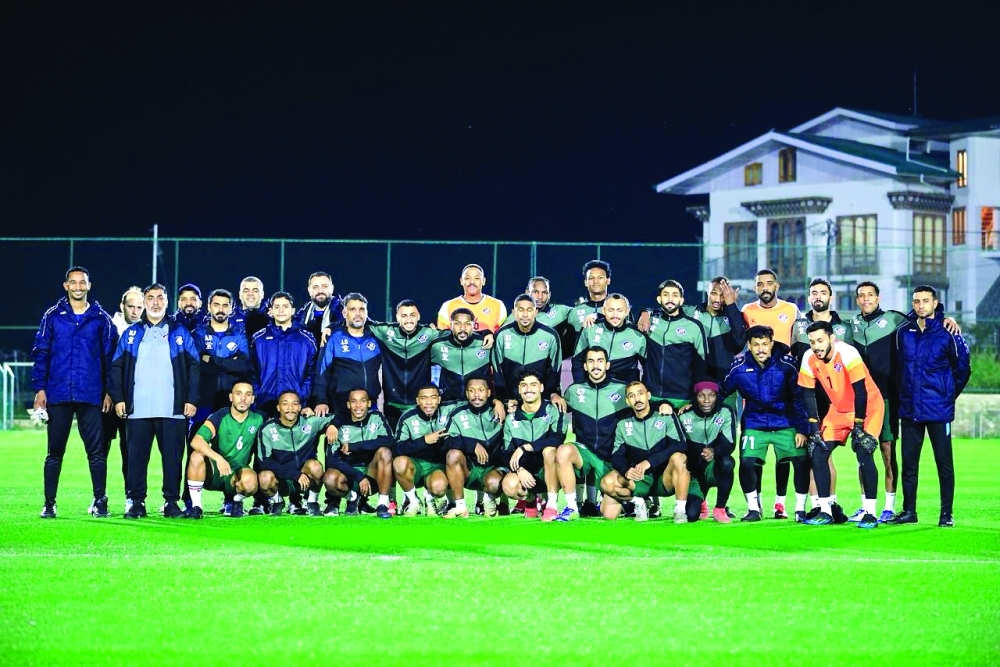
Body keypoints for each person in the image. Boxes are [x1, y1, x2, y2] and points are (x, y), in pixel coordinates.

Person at [109, 283, 200, 519]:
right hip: (137, 409)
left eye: (160, 298)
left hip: (173, 409)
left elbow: (194, 367)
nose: (156, 303)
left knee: (172, 459)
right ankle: (136, 502)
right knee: (136, 459)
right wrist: (119, 398)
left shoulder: (180, 331)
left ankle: (171, 502)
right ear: (145, 302)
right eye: (151, 298)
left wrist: (191, 399)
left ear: (167, 302)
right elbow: (116, 367)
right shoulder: (131, 333)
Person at [33, 266, 115, 519]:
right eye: (73, 282)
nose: (78, 286)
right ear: (66, 286)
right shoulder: (52, 316)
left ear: (89, 285)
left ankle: (100, 501)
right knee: (54, 453)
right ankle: (49, 503)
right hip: (58, 394)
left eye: (82, 282)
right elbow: (41, 352)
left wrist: (109, 391)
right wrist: (40, 389)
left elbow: (110, 359)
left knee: (96, 453)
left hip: (91, 395)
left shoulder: (101, 319)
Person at [892, 286, 971, 527]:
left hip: (938, 410)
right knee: (909, 464)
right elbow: (898, 369)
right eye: (917, 301)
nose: (921, 305)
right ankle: (909, 511)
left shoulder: (949, 332)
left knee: (944, 464)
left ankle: (946, 514)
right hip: (910, 410)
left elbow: (963, 368)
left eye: (926, 301)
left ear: (935, 303)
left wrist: (948, 395)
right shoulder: (903, 332)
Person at [798, 321, 884, 528]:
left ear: (831, 338)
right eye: (812, 342)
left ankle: (870, 513)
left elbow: (861, 392)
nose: (816, 346)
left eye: (820, 340)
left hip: (868, 406)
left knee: (864, 451)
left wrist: (859, 426)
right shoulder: (809, 358)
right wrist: (814, 428)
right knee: (818, 452)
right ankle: (826, 511)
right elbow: (808, 395)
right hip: (839, 409)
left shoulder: (848, 353)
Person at [721, 326, 811, 522]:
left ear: (771, 343)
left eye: (764, 344)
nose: (760, 349)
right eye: (756, 345)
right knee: (747, 462)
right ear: (749, 346)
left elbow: (799, 398)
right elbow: (721, 392)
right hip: (754, 423)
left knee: (801, 461)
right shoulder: (738, 368)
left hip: (786, 422)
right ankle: (754, 509)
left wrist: (802, 429)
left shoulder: (787, 365)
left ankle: (800, 509)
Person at [740, 269, 802, 518]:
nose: (764, 287)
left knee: (783, 455)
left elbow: (800, 341)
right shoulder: (747, 311)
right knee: (753, 455)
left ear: (777, 285)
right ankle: (755, 504)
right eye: (759, 284)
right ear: (755, 287)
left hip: (783, 386)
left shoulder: (792, 310)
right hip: (755, 389)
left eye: (769, 283)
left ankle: (780, 503)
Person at [552, 347, 631, 521]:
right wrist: (554, 397)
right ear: (585, 366)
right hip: (586, 455)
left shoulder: (622, 389)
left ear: (607, 365)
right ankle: (572, 507)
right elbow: (558, 406)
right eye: (591, 361)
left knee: (609, 515)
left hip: (612, 459)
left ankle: (634, 501)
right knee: (563, 451)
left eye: (600, 361)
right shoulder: (574, 390)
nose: (596, 366)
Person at [600, 380, 690, 523]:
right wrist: (626, 471)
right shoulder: (623, 424)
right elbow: (616, 456)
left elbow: (681, 445)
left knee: (680, 457)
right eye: (632, 396)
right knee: (607, 489)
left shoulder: (665, 415)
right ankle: (639, 502)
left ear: (648, 395)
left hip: (665, 479)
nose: (637, 399)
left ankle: (680, 510)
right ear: (627, 401)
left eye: (640, 394)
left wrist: (650, 462)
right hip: (639, 479)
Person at [368, 299, 457, 431]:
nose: (408, 320)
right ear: (397, 317)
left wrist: (485, 333)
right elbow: (361, 322)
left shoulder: (428, 333)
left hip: (418, 405)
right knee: (394, 442)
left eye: (412, 315)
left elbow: (456, 334)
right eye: (404, 316)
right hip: (392, 405)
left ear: (418, 316)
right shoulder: (385, 331)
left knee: (420, 442)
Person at [182, 381, 262, 519]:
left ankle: (235, 501)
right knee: (196, 456)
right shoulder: (219, 416)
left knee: (250, 481)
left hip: (237, 473)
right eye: (238, 394)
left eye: (248, 394)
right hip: (214, 471)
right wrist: (218, 458)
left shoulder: (258, 419)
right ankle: (196, 506)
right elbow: (197, 441)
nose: (243, 398)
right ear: (231, 397)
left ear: (252, 399)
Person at [499, 371, 568, 520]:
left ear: (541, 388)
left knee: (549, 451)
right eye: (524, 385)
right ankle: (530, 500)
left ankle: (551, 505)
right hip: (527, 475)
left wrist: (526, 447)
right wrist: (519, 470)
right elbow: (506, 452)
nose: (528, 389)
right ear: (519, 389)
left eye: (533, 385)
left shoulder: (554, 410)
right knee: (509, 484)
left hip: (550, 472)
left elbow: (557, 438)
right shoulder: (511, 418)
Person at [255, 390, 334, 516]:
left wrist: (332, 426)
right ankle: (278, 501)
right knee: (264, 477)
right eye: (285, 404)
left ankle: (312, 501)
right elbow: (265, 463)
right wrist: (295, 475)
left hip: (305, 481)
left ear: (300, 407)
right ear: (278, 407)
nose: (290, 408)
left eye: (295, 404)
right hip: (281, 481)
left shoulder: (310, 422)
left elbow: (340, 417)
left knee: (315, 467)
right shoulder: (267, 429)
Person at [322, 388, 396, 519]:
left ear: (369, 403)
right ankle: (353, 497)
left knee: (385, 452)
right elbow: (332, 460)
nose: (358, 406)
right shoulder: (337, 425)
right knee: (330, 478)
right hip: (348, 475)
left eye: (362, 401)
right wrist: (359, 477)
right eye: (354, 401)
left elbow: (389, 440)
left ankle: (383, 504)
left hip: (371, 474)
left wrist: (354, 446)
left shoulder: (376, 417)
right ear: (348, 404)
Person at [441, 378, 506, 518]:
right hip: (469, 470)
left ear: (488, 393)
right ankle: (460, 507)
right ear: (466, 393)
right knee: (452, 454)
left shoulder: (500, 410)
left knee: (494, 483)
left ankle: (493, 501)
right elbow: (446, 442)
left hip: (493, 469)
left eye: (481, 390)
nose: (476, 395)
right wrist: (472, 445)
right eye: (472, 391)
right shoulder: (458, 413)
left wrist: (498, 402)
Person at [313, 293, 382, 422]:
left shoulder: (377, 337)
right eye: (352, 309)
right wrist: (321, 400)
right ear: (344, 313)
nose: (358, 314)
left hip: (370, 405)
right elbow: (322, 371)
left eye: (361, 309)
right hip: (341, 405)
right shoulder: (333, 337)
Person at [105, 285, 144, 513]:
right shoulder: (110, 328)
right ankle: (99, 497)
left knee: (129, 450)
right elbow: (105, 363)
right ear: (122, 306)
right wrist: (109, 393)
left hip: (134, 401)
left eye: (139, 307)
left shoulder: (146, 330)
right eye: (131, 306)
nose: (135, 311)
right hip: (109, 399)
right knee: (101, 450)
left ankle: (131, 497)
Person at [492, 294, 565, 415]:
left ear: (535, 312)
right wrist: (503, 400)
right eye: (521, 310)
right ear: (514, 312)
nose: (525, 315)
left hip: (540, 405)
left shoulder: (550, 336)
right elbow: (497, 371)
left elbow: (554, 371)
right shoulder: (502, 335)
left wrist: (552, 395)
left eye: (529, 310)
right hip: (510, 404)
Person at [392, 384, 459, 516]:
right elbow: (396, 448)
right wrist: (424, 441)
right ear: (417, 401)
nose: (428, 402)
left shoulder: (448, 410)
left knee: (439, 488)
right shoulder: (407, 417)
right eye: (424, 398)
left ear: (439, 399)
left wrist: (496, 402)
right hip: (415, 465)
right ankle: (413, 500)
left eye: (433, 397)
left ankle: (429, 497)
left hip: (436, 467)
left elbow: (474, 400)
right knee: (399, 462)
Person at [250, 291, 317, 418]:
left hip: (295, 405)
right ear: (270, 311)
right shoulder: (258, 339)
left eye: (285, 306)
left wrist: (301, 394)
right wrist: (259, 393)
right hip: (265, 404)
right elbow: (251, 371)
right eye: (277, 307)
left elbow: (312, 372)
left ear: (293, 310)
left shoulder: (306, 339)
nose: (281, 310)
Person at [677, 380, 737, 523]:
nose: (706, 400)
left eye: (711, 395)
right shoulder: (684, 415)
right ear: (695, 397)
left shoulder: (725, 412)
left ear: (716, 396)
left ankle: (720, 508)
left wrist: (714, 451)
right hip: (694, 474)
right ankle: (701, 501)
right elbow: (679, 446)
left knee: (727, 462)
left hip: (713, 467)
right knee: (691, 515)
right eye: (701, 396)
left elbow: (729, 444)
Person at [644, 280, 708, 410]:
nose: (670, 299)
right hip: (652, 397)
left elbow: (703, 365)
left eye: (675, 295)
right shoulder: (648, 322)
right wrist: (645, 312)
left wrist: (695, 399)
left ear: (681, 300)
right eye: (666, 294)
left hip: (683, 399)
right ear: (659, 299)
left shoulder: (694, 326)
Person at [192, 289, 252, 424]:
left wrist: (212, 359)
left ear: (231, 309)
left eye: (225, 305)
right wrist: (230, 364)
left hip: (231, 401)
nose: (220, 309)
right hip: (204, 400)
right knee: (199, 436)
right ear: (209, 307)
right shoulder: (199, 334)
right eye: (216, 305)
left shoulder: (239, 335)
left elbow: (243, 367)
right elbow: (199, 366)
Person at [571, 293, 646, 385]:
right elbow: (577, 361)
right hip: (594, 389)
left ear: (627, 311)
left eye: (619, 310)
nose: (615, 315)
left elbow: (649, 368)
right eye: (611, 310)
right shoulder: (590, 328)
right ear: (603, 310)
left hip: (625, 391)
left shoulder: (638, 335)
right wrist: (581, 386)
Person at [430, 307, 494, 404]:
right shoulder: (437, 345)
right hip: (448, 404)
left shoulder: (486, 343)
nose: (462, 328)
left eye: (467, 324)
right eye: (457, 323)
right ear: (451, 325)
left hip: (478, 404)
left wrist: (487, 332)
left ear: (473, 326)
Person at [436, 263, 508, 333]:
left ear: (483, 281)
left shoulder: (498, 305)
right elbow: (443, 336)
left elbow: (502, 336)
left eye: (477, 278)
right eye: (467, 278)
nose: (472, 282)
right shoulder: (448, 306)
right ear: (461, 281)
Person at [294, 271, 343, 343]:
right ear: (309, 290)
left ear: (332, 288)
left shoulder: (343, 311)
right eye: (315, 287)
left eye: (324, 286)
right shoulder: (303, 314)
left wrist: (332, 327)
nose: (320, 291)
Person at [232, 276, 270, 340]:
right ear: (240, 294)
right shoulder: (229, 318)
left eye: (255, 291)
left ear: (262, 294)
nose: (250, 294)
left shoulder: (272, 317)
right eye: (246, 291)